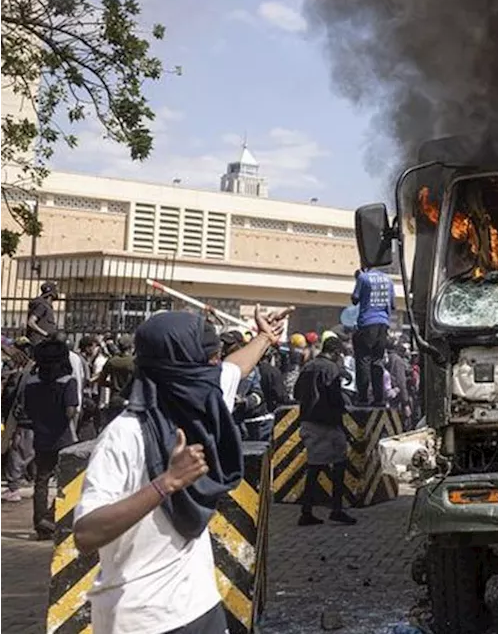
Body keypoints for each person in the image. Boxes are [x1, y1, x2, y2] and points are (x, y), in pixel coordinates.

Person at [72, 306, 290, 633]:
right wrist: (166, 483)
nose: (212, 367)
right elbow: (86, 534)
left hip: (199, 607)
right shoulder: (124, 435)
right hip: (141, 620)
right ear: (182, 367)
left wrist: (264, 338)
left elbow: (234, 369)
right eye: (204, 360)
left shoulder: (200, 404)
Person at [293, 334, 356, 526]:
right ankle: (336, 509)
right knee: (338, 464)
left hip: (308, 422)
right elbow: (335, 398)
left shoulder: (309, 366)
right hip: (327, 424)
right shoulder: (332, 369)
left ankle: (307, 510)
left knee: (314, 466)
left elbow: (296, 393)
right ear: (336, 352)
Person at [26, 338, 80, 539]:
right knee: (69, 481)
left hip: (40, 436)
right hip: (64, 437)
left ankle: (40, 523)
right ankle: (50, 517)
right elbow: (70, 411)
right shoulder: (68, 382)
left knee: (41, 480)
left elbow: (28, 409)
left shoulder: (31, 382)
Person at [350, 266, 396, 406]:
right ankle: (378, 399)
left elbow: (355, 299)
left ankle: (362, 397)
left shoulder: (364, 278)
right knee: (377, 361)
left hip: (367, 323)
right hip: (383, 324)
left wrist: (358, 279)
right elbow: (392, 305)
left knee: (363, 360)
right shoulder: (389, 280)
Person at [99, 335, 136, 427]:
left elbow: (101, 381)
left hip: (115, 398)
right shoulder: (135, 362)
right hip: (130, 399)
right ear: (131, 347)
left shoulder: (112, 361)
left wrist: (112, 384)